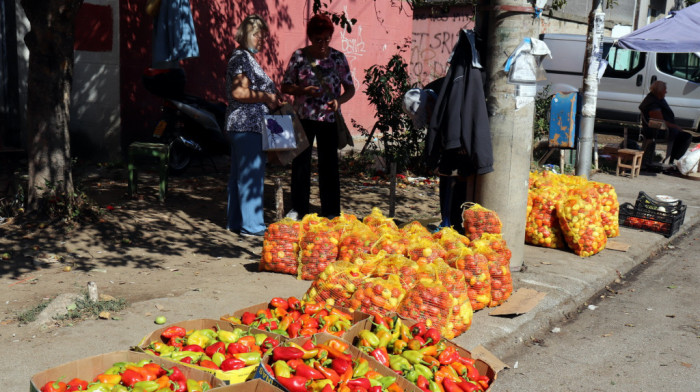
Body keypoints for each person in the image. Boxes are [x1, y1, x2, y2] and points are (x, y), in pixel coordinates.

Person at [281, 14, 355, 220]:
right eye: (318, 39)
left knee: (329, 165)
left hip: (329, 120)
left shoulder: (338, 58)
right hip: (304, 118)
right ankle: (298, 208)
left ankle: (331, 211)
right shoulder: (299, 57)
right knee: (300, 164)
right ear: (310, 37)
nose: (322, 44)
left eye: (326, 38)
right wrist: (303, 90)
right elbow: (285, 86)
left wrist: (339, 101)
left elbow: (350, 89)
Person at [224, 14, 283, 237]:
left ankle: (236, 222)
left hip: (243, 125)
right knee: (251, 177)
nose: (261, 39)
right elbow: (239, 92)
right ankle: (253, 227)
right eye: (257, 34)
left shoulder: (244, 57)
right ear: (246, 34)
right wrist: (267, 97)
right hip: (246, 124)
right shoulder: (241, 57)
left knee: (240, 176)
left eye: (263, 36)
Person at [639, 80, 683, 165]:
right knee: (684, 137)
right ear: (659, 91)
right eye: (664, 89)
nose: (666, 91)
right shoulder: (653, 103)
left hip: (658, 128)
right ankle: (671, 160)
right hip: (657, 130)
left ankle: (673, 159)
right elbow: (659, 121)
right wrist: (675, 127)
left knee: (684, 136)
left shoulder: (657, 98)